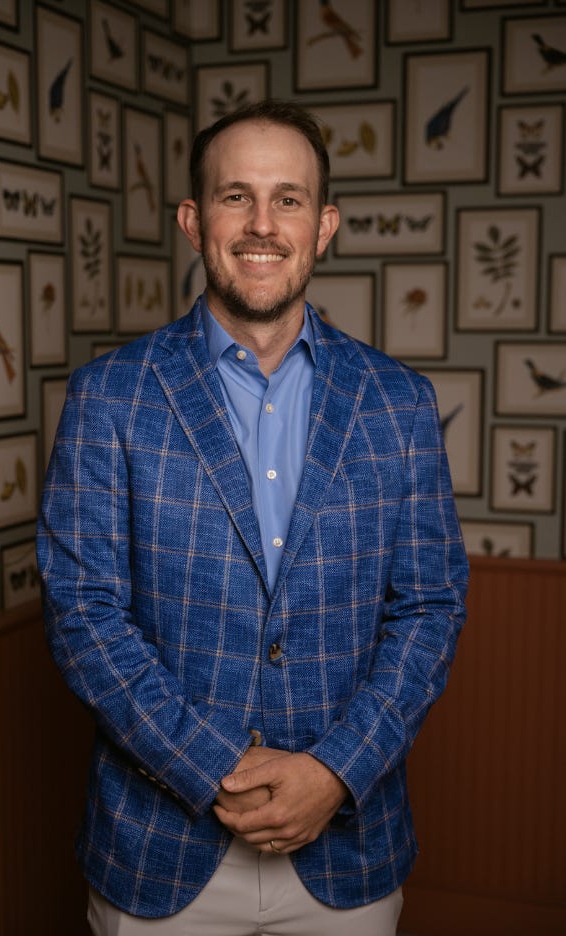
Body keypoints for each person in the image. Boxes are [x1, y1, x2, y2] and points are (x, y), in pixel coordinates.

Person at [37, 99, 468, 936]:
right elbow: (82, 614)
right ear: (193, 221)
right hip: (159, 854)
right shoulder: (110, 396)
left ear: (323, 225)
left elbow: (428, 608)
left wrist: (334, 773)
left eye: (288, 199)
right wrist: (213, 769)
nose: (262, 224)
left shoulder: (399, 403)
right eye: (236, 196)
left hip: (345, 853)